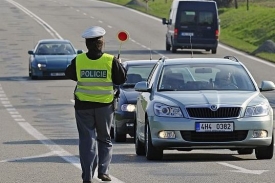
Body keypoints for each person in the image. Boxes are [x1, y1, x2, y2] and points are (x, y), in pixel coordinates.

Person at [65, 26, 127, 183]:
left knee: (87, 140)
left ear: (87, 44)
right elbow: (120, 80)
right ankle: (103, 171)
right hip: (104, 107)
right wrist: (119, 65)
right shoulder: (110, 60)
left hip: (83, 107)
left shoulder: (79, 60)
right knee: (104, 139)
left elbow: (69, 73)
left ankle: (87, 174)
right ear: (102, 43)